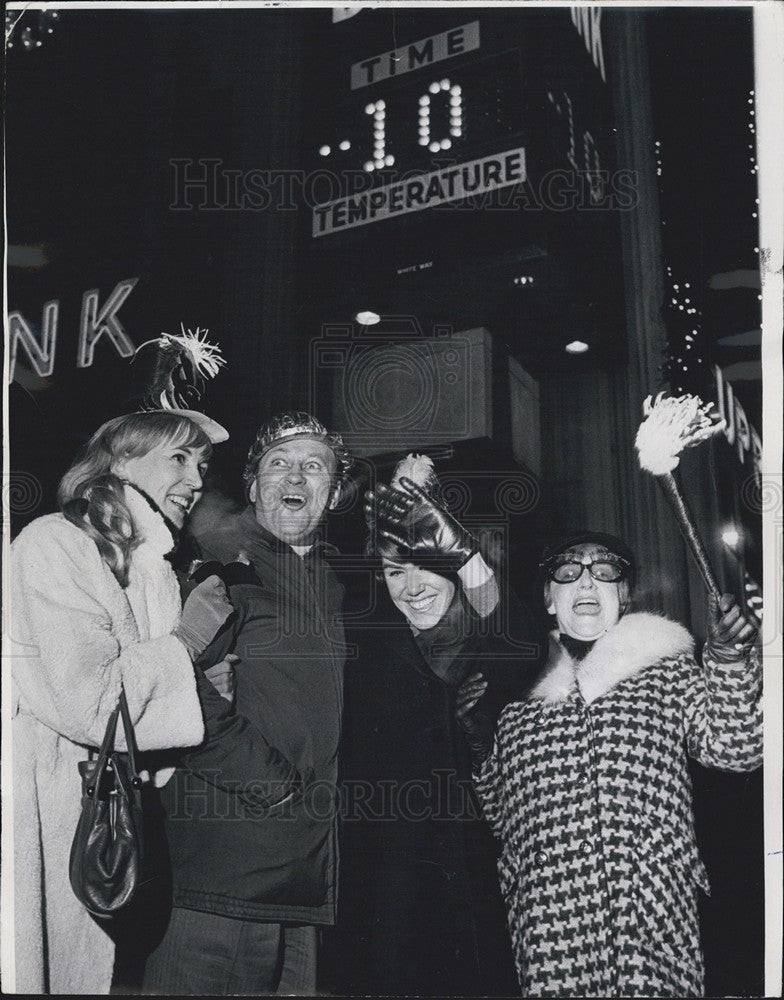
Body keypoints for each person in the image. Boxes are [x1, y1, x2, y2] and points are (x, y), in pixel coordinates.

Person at [461, 531, 762, 998]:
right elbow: (503, 819)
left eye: (604, 571)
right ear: (547, 598)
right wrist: (481, 751)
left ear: (623, 595)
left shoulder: (666, 667)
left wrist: (726, 658)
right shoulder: (513, 687)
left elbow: (738, 747)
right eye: (567, 571)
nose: (585, 581)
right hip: (547, 918)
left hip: (650, 906)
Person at [7, 411, 237, 995]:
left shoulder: (150, 564)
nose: (197, 479)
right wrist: (186, 649)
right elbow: (91, 700)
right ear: (122, 463)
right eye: (179, 460)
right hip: (45, 811)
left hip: (102, 819)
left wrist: (199, 674)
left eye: (202, 465)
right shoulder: (53, 542)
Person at [141, 411, 352, 996]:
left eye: (314, 467)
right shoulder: (221, 576)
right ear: (255, 488)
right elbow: (170, 690)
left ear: (332, 493)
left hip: (306, 886)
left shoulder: (340, 587)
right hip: (227, 879)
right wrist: (274, 786)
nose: (295, 476)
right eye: (278, 464)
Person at [328, 458, 544, 997]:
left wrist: (466, 555)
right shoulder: (367, 650)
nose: (413, 586)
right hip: (390, 893)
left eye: (427, 566)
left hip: (477, 884)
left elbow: (522, 647)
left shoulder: (487, 638)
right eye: (394, 572)